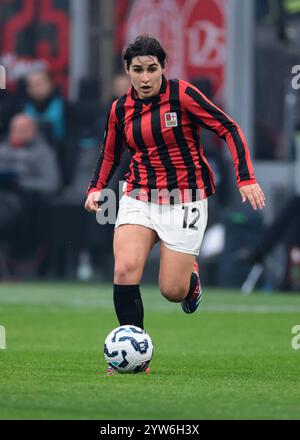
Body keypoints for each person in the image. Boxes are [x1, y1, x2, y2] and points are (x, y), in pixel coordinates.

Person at [84, 35, 265, 352]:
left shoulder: (182, 95)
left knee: (171, 290)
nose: (145, 77)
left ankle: (190, 280)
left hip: (185, 200)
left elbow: (229, 128)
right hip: (138, 195)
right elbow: (109, 153)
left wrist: (245, 177)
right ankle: (133, 350)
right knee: (125, 269)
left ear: (163, 67)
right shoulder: (120, 108)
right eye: (137, 69)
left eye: (151, 69)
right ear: (127, 71)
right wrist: (96, 188)